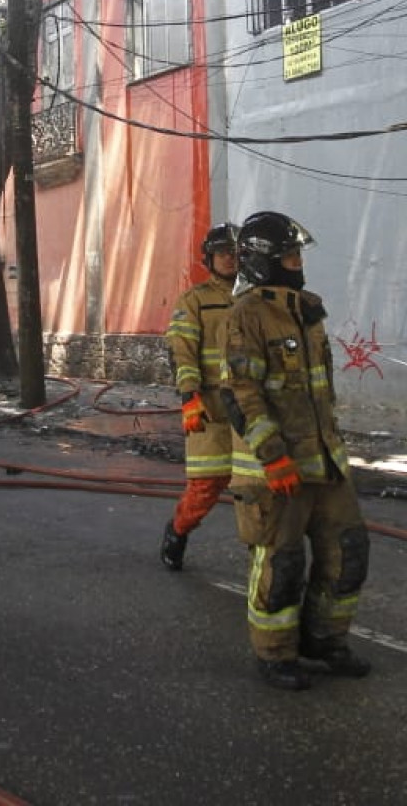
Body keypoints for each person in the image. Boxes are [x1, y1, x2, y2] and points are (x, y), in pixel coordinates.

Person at [223, 210, 371, 691]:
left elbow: (317, 390)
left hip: (325, 462)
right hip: (279, 471)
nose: (297, 261)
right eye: (289, 255)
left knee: (348, 551)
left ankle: (325, 641)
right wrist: (274, 457)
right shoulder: (246, 316)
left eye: (297, 254)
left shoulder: (308, 309)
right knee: (282, 563)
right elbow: (243, 394)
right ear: (265, 262)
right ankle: (275, 653)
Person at [159, 223, 240, 572]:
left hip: (252, 411)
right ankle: (178, 531)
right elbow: (182, 352)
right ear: (209, 258)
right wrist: (189, 397)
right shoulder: (195, 302)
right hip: (212, 410)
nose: (229, 259)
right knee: (207, 485)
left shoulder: (256, 298)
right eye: (222, 253)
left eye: (235, 253)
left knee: (259, 487)